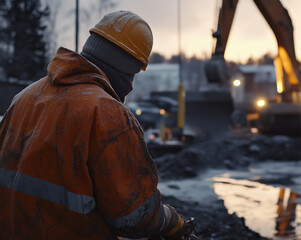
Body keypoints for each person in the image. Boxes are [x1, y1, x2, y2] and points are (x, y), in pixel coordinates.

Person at [0, 11, 188, 239]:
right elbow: (134, 217)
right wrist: (168, 218)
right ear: (128, 68)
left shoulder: (25, 97)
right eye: (135, 73)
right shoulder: (107, 114)